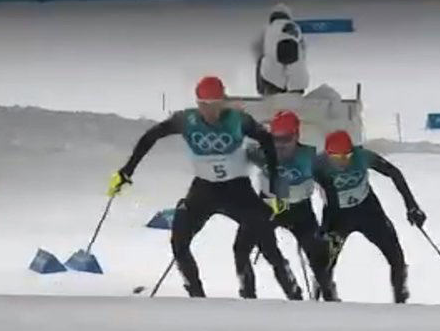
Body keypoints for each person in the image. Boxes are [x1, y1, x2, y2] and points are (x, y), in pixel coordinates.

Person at [110, 76, 303, 299]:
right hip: (204, 189)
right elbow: (151, 136)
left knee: (266, 242)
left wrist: (276, 182)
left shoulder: (238, 120)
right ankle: (196, 296)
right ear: (197, 103)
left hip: (237, 189)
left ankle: (290, 295)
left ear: (223, 102)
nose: (209, 111)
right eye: (204, 104)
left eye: (214, 104)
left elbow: (267, 140)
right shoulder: (187, 120)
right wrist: (127, 171)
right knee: (179, 241)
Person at [233, 110, 338, 300]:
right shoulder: (261, 153)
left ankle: (329, 296)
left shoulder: (310, 158)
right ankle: (252, 295)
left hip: (300, 211)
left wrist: (330, 218)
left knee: (318, 256)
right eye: (276, 139)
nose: (280, 145)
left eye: (286, 139)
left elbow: (329, 188)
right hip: (268, 207)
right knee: (242, 248)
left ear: (297, 135)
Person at [315, 129, 425, 303]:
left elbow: (393, 172)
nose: (343, 162)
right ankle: (326, 298)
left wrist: (411, 206)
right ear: (328, 155)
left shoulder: (362, 156)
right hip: (337, 214)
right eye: (336, 158)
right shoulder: (317, 164)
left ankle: (400, 297)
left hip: (367, 210)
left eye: (347, 156)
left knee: (396, 255)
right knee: (324, 263)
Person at [255, 4, 309, 96]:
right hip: (298, 83)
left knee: (262, 60)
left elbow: (258, 51)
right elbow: (303, 52)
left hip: (274, 83)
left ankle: (264, 93)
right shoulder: (296, 28)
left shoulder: (267, 30)